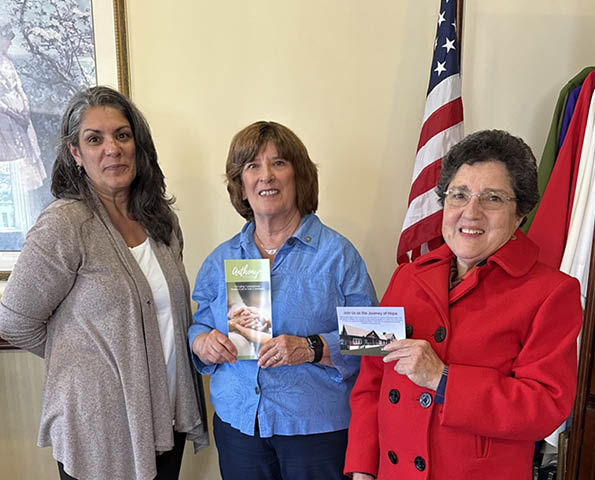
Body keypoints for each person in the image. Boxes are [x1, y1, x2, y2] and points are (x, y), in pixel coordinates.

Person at [344, 130, 582, 479]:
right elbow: (370, 382)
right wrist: (362, 467)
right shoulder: (405, 277)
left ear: (520, 214)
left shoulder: (553, 292)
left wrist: (442, 379)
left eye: (492, 198)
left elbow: (546, 406)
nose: (471, 212)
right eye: (459, 195)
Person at [0, 86, 209, 480]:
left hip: (166, 415)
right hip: (99, 426)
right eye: (94, 139)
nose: (112, 148)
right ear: (76, 154)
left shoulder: (160, 220)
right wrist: (91, 360)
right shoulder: (65, 224)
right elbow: (14, 321)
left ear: (137, 144)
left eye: (122, 135)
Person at [189, 121, 377, 480]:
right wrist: (201, 342)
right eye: (252, 166)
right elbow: (199, 324)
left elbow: (377, 337)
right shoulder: (221, 258)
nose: (266, 176)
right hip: (241, 426)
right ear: (240, 185)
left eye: (279, 163)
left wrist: (312, 346)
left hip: (316, 431)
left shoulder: (338, 254)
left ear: (299, 176)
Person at [0, 23, 47, 234]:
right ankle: (15, 223)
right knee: (14, 165)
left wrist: (25, 109)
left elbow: (18, 87)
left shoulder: (7, 62)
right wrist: (12, 112)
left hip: (19, 119)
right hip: (6, 120)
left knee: (28, 163)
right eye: (6, 39)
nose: (9, 43)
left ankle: (33, 220)